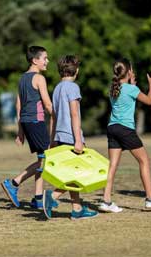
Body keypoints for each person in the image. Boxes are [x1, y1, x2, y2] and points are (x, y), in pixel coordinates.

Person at [99, 59, 151, 212]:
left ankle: (106, 200)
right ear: (129, 71)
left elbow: (125, 96)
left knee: (112, 166)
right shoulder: (131, 89)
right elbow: (150, 101)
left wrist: (132, 84)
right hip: (126, 129)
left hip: (112, 128)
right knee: (144, 161)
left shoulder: (113, 88)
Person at [42, 55, 98, 220]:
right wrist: (78, 140)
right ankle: (52, 197)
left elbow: (53, 116)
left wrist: (52, 139)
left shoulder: (58, 88)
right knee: (77, 173)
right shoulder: (73, 87)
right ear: (77, 71)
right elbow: (74, 114)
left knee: (72, 171)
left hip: (60, 136)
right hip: (71, 137)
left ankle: (77, 208)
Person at [0, 46, 55, 209]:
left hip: (26, 122)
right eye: (45, 58)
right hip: (36, 122)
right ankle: (14, 183)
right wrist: (59, 116)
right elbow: (47, 104)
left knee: (42, 158)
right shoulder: (39, 78)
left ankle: (38, 198)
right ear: (35, 60)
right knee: (45, 159)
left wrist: (20, 130)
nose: (47, 61)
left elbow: (18, 105)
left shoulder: (22, 78)